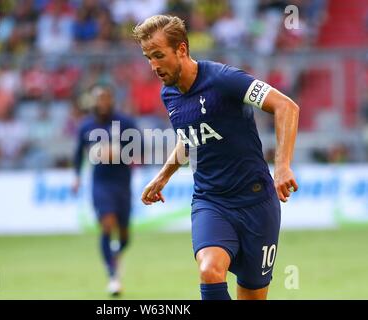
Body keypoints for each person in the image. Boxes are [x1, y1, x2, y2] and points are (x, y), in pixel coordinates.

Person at [133, 15, 299, 300]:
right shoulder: (169, 95)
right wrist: (162, 177)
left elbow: (286, 107)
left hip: (256, 203)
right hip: (211, 202)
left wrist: (282, 166)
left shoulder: (225, 80)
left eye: (159, 55)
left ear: (182, 49)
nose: (154, 66)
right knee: (209, 269)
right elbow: (190, 139)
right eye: (149, 57)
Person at [72, 85, 137, 296]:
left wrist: (118, 152)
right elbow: (78, 154)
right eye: (99, 98)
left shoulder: (125, 123)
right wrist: (76, 177)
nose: (103, 102)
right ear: (93, 101)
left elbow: (141, 148)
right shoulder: (86, 126)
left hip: (122, 183)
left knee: (125, 236)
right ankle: (113, 277)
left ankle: (116, 255)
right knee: (107, 225)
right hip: (100, 184)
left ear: (112, 100)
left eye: (106, 98)